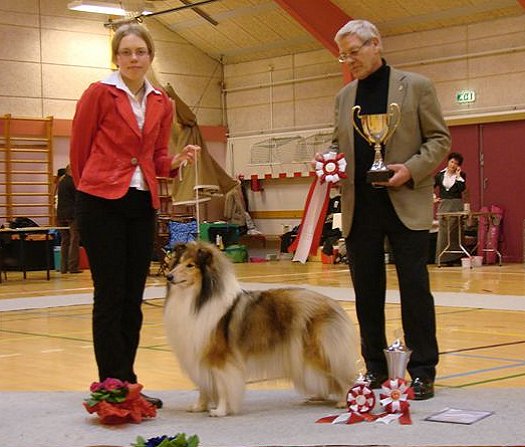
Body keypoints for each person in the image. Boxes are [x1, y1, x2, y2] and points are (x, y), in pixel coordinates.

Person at [70, 23, 199, 409]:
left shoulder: (162, 101)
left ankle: (129, 381)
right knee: (109, 296)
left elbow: (157, 155)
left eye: (140, 52)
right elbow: (79, 149)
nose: (133, 58)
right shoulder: (99, 93)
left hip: (141, 203)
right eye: (126, 52)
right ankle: (111, 384)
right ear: (116, 57)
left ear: (150, 56)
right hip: (101, 201)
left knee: (133, 297)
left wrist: (173, 162)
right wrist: (89, 190)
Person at [327, 19, 451, 400]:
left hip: (405, 202)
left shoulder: (416, 86)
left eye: (354, 52)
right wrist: (330, 162)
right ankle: (376, 369)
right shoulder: (344, 96)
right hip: (359, 207)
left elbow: (439, 140)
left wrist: (409, 170)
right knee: (366, 293)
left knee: (415, 290)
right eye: (343, 55)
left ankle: (422, 371)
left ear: (376, 44)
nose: (349, 61)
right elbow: (338, 143)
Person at [434, 152, 467, 265]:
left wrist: (458, 176)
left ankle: (456, 257)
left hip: (456, 204)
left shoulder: (461, 175)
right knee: (444, 231)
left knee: (455, 231)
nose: (453, 165)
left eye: (456, 163)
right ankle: (442, 258)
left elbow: (461, 188)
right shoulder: (439, 175)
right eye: (452, 162)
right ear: (448, 162)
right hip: (444, 205)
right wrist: (433, 198)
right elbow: (430, 187)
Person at [56, 165, 81, 274]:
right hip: (72, 214)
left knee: (65, 240)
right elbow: (78, 198)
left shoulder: (61, 182)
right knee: (74, 240)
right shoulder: (73, 182)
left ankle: (63, 267)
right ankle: (73, 267)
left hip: (60, 214)